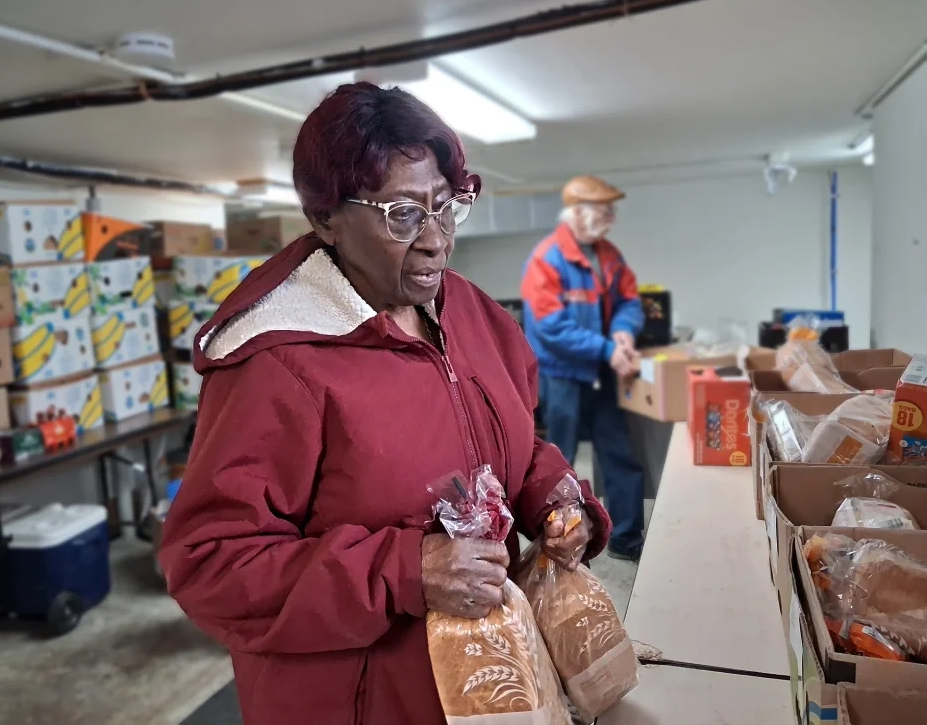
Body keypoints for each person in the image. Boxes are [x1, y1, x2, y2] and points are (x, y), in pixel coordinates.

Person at [159, 83, 611, 725]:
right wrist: (404, 569)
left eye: (446, 206)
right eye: (402, 214)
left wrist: (557, 500)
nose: (436, 240)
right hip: (360, 703)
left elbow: (516, 442)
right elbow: (211, 565)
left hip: (488, 682)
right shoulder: (278, 364)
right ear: (325, 220)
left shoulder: (478, 316)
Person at [520, 175, 647, 562]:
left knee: (619, 455)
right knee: (559, 464)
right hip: (562, 377)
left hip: (602, 373)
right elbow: (551, 327)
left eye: (611, 211)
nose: (611, 218)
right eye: (604, 211)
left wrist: (624, 334)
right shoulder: (547, 258)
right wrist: (608, 348)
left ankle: (626, 538)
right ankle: (561, 546)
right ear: (577, 212)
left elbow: (629, 301)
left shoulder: (608, 254)